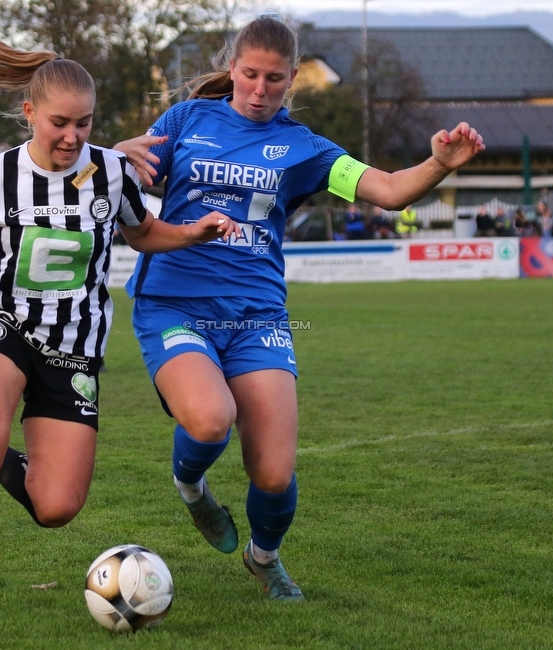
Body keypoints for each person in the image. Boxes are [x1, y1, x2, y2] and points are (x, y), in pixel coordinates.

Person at [115, 13, 483, 601]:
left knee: (275, 473)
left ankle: (264, 560)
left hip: (258, 315)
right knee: (211, 420)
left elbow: (387, 190)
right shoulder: (187, 119)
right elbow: (122, 179)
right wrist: (112, 155)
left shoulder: (302, 148)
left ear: (293, 82)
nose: (260, 91)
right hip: (174, 303)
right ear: (231, 68)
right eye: (250, 75)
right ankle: (190, 486)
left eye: (276, 80)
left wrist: (439, 163)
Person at [0, 13, 236, 636]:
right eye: (60, 122)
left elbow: (141, 231)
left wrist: (192, 231)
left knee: (56, 508)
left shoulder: (107, 170)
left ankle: (2, 457)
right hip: (8, 325)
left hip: (76, 350)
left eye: (84, 123)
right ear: (29, 112)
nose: (72, 136)